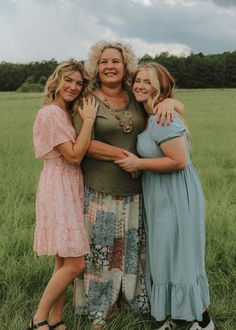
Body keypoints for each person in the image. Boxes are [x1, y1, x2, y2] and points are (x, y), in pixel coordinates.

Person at [72, 41, 184, 329]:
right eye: (104, 61)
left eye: (116, 62)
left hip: (136, 191)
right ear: (97, 66)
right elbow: (85, 144)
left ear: (125, 67)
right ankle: (99, 308)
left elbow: (165, 103)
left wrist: (172, 102)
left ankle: (131, 301)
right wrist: (125, 156)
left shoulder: (135, 96)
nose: (110, 66)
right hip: (101, 189)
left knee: (131, 251)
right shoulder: (87, 99)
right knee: (101, 250)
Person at [115, 63, 215, 330]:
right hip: (159, 196)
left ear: (159, 87)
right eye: (137, 80)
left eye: (147, 81)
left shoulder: (162, 117)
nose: (139, 85)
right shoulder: (149, 113)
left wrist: (139, 164)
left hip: (177, 195)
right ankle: (171, 314)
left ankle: (201, 319)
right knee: (163, 255)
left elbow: (179, 161)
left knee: (182, 254)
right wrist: (172, 102)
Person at [29, 59, 98, 330]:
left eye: (78, 83)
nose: (73, 86)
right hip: (58, 185)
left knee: (63, 259)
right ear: (57, 80)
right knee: (76, 263)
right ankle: (38, 319)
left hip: (68, 186)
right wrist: (90, 121)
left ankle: (56, 320)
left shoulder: (64, 112)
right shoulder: (51, 114)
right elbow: (73, 156)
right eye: (68, 80)